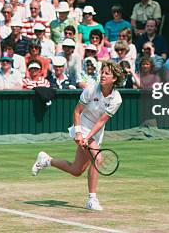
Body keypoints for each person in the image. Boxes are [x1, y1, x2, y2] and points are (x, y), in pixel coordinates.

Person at [32, 61, 123, 210]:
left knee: (76, 170)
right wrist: (80, 133)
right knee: (97, 158)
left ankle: (46, 160)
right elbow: (76, 112)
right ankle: (92, 199)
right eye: (103, 72)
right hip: (81, 125)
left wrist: (87, 138)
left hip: (95, 131)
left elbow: (101, 122)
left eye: (107, 73)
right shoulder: (91, 89)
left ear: (114, 79)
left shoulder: (117, 99)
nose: (103, 75)